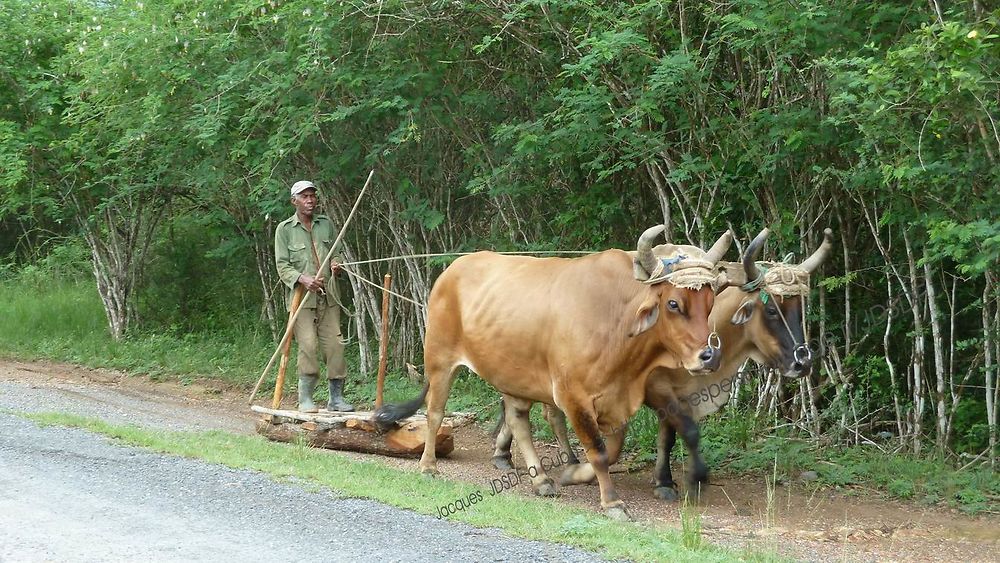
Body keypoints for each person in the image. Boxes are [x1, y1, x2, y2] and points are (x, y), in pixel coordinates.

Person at [274, 180, 354, 412]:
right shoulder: (285, 229)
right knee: (308, 346)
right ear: (294, 201)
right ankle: (306, 399)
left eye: (312, 196)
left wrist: (337, 265)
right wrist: (303, 279)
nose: (310, 200)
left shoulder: (325, 224)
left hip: (329, 297)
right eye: (304, 197)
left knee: (336, 346)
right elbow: (282, 266)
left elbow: (336, 253)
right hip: (302, 301)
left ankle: (336, 399)